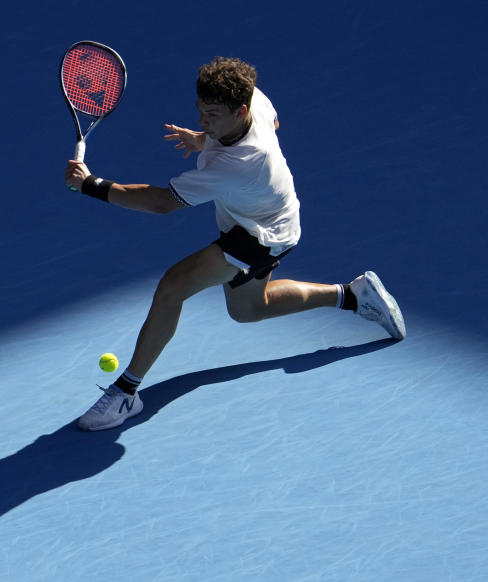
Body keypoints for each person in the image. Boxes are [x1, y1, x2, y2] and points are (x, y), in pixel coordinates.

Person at [64, 57, 405, 432]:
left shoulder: (236, 164)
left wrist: (90, 185)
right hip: (274, 216)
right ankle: (355, 295)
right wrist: (206, 140)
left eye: (212, 115)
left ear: (240, 110)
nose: (202, 121)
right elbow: (271, 124)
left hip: (260, 235)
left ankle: (125, 392)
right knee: (248, 311)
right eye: (200, 110)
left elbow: (161, 203)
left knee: (172, 288)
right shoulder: (253, 99)